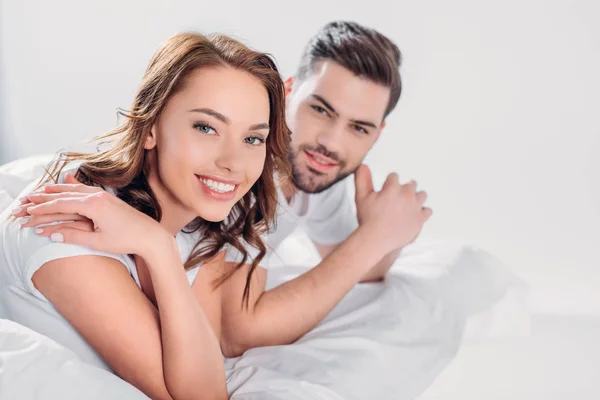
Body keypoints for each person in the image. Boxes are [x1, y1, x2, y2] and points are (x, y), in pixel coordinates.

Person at [1, 31, 290, 400]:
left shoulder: (193, 216)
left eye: (252, 139)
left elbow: (205, 358)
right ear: (150, 127)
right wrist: (158, 247)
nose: (232, 163)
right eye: (206, 127)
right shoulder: (66, 226)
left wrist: (156, 247)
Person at [217, 21, 432, 357]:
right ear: (286, 93)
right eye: (320, 110)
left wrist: (391, 230)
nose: (330, 142)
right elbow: (237, 334)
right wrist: (375, 237)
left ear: (377, 134)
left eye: (359, 128)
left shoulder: (315, 173)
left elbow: (361, 268)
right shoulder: (249, 169)